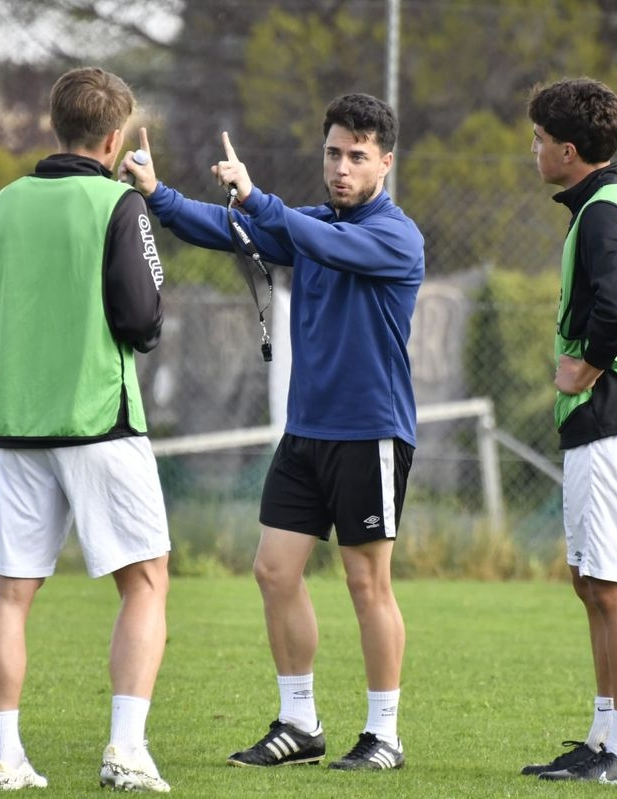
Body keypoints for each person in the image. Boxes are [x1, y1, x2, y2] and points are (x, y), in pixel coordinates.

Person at [122, 93, 423, 772]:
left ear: (386, 163)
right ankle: (300, 721)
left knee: (365, 582)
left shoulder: (395, 235)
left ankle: (384, 734)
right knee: (273, 570)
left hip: (369, 432)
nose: (341, 167)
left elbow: (308, 237)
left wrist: (258, 198)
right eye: (333, 153)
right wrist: (157, 193)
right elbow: (227, 228)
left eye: (357, 156)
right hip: (306, 432)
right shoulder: (311, 221)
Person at [0, 66, 172, 793]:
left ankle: (5, 758)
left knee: (11, 592)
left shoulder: (2, 203)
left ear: (57, 126)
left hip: (19, 425)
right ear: (114, 137)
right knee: (145, 582)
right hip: (99, 421)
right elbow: (143, 322)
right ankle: (126, 750)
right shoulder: (119, 204)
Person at [519, 78, 617, 785]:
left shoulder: (606, 211)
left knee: (616, 585)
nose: (534, 150)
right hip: (599, 423)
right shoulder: (610, 204)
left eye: (541, 141)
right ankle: (604, 734)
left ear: (569, 150)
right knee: (591, 580)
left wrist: (586, 365)